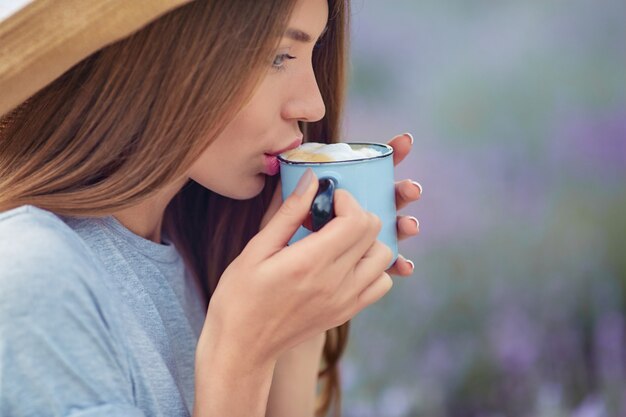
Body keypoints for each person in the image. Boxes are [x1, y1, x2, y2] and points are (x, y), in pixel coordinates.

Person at [0, 0, 422, 416]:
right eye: (278, 57)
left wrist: (295, 323)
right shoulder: (33, 275)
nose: (314, 106)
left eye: (311, 54)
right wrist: (240, 357)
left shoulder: (192, 252)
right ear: (159, 56)